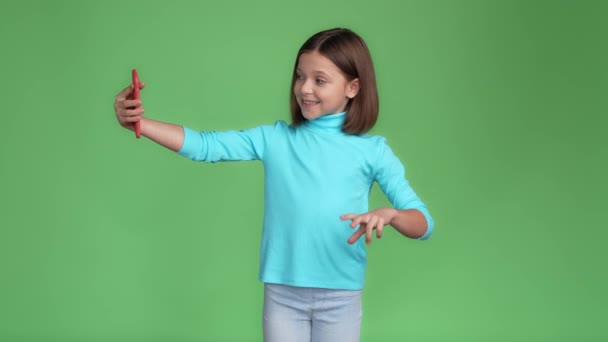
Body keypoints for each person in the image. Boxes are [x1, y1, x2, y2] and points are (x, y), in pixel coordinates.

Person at [114, 28, 434, 342]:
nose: (304, 88)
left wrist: (391, 215)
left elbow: (423, 223)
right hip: (283, 296)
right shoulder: (275, 139)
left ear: (353, 87)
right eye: (299, 76)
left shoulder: (373, 151)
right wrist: (139, 124)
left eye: (319, 80)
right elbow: (205, 146)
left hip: (341, 297)